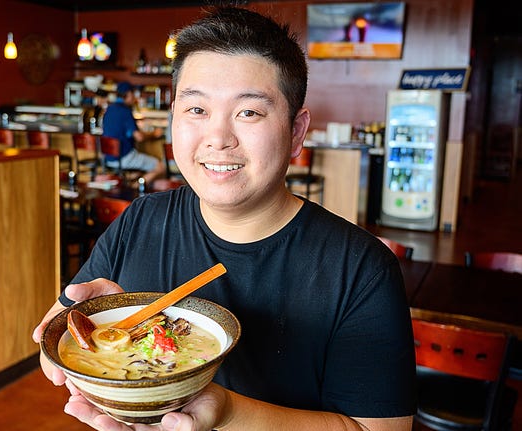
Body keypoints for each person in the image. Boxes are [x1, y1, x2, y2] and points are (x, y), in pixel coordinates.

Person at [33, 6, 416, 431]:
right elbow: (67, 340)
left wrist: (227, 413)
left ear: (296, 133)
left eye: (248, 112)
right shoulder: (139, 220)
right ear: (173, 117)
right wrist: (72, 326)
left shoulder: (361, 269)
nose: (218, 138)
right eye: (197, 110)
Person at [101, 81, 165, 185]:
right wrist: (154, 134)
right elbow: (139, 137)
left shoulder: (109, 109)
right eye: (133, 94)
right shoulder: (125, 111)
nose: (134, 98)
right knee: (160, 166)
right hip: (123, 157)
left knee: (138, 172)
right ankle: (136, 190)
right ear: (128, 94)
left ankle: (131, 184)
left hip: (108, 158)